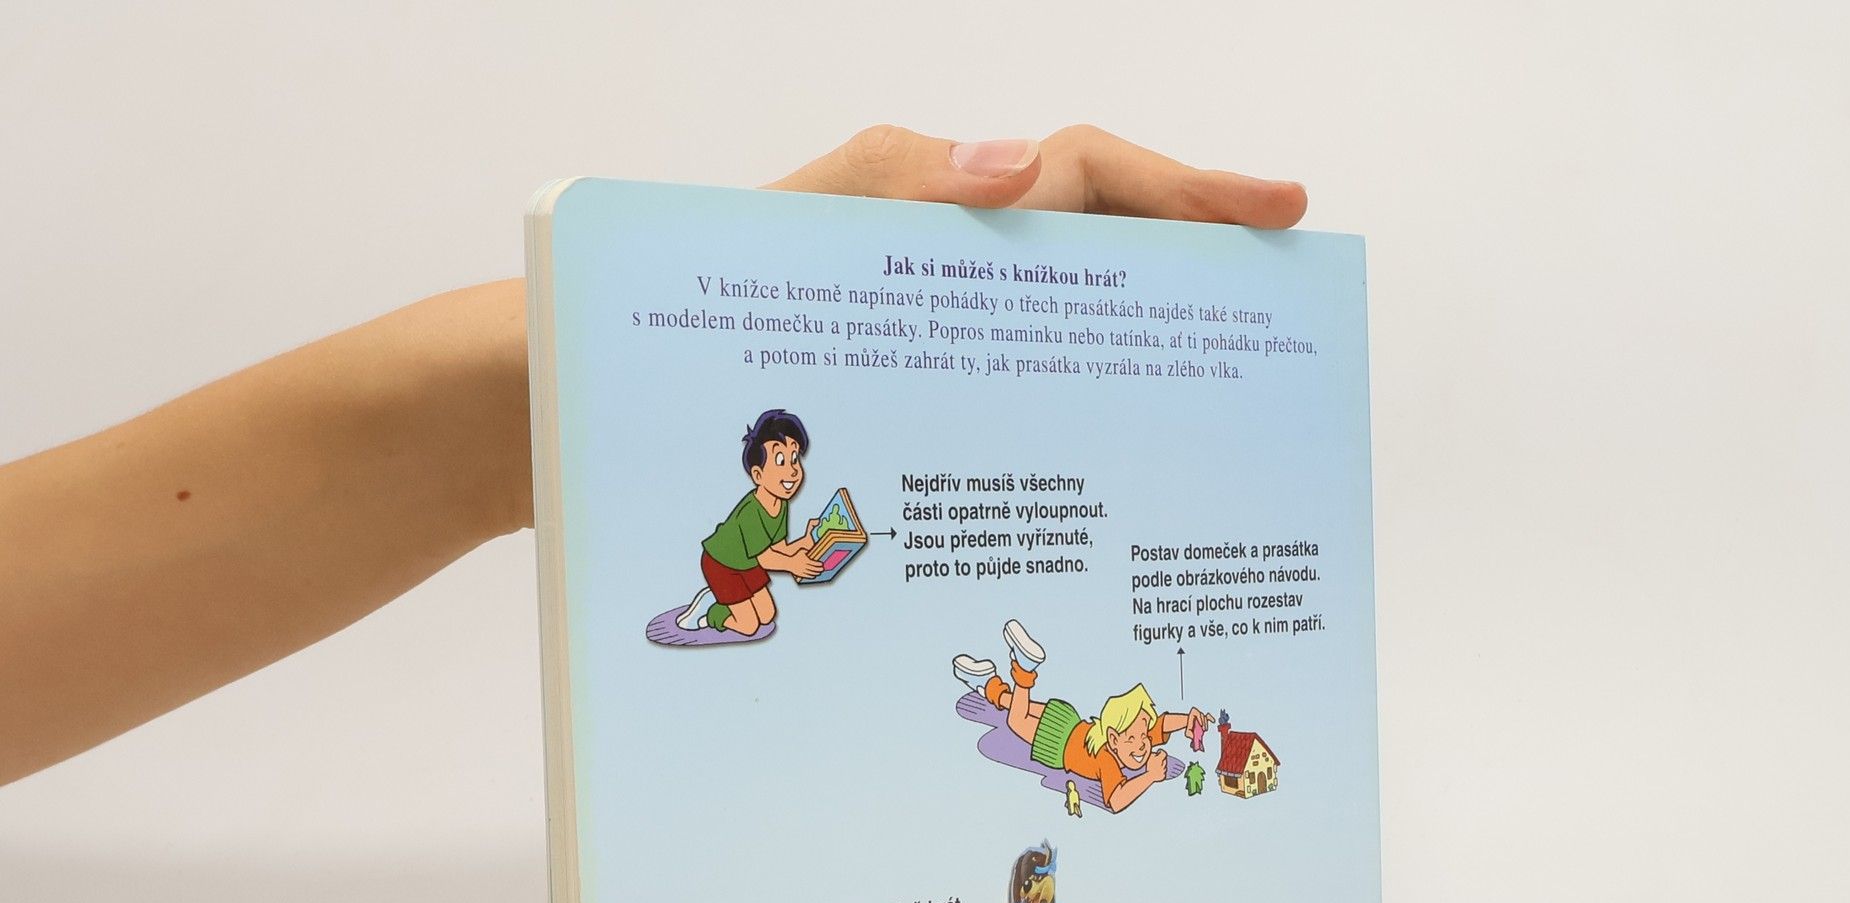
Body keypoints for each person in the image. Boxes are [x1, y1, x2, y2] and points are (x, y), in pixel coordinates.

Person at [0, 126, 1305, 788]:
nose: (786, 473)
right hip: (737, 580)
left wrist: (597, 374)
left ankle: (927, 667)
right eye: (779, 462)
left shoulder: (769, 497)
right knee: (761, 605)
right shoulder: (747, 521)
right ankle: (761, 630)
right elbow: (759, 550)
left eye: (790, 464)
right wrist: (782, 549)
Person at [954, 620, 1211, 814]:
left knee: (1016, 705)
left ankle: (987, 683)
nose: (1143, 744)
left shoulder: (1130, 739)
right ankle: (1024, 668)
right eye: (1133, 739)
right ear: (1113, 739)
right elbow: (1116, 800)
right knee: (1016, 720)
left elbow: (1161, 724)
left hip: (1068, 720)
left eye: (1143, 737)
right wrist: (1150, 776)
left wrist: (1186, 720)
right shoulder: (1108, 759)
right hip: (1058, 745)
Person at [676, 408, 821, 635]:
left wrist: (807, 541)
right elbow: (765, 558)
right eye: (780, 460)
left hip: (747, 561)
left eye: (794, 459)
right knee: (749, 626)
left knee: (767, 615)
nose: (793, 470)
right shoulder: (751, 512)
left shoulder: (781, 505)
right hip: (721, 564)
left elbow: (779, 549)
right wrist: (792, 564)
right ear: (758, 475)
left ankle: (724, 599)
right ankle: (712, 612)